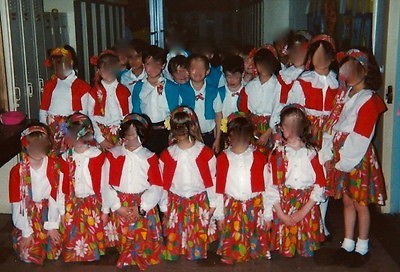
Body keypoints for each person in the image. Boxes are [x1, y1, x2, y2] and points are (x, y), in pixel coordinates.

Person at [319, 48, 386, 267]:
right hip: (341, 155)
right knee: (347, 200)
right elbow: (331, 125)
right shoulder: (344, 95)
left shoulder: (368, 99)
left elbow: (361, 135)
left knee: (360, 202)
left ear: (364, 71)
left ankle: (362, 246)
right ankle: (347, 244)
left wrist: (345, 160)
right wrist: (329, 152)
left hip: (356, 157)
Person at [104, 113, 164, 269]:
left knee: (141, 237)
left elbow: (157, 186)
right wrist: (117, 206)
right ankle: (125, 254)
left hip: (142, 204)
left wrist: (142, 208)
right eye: (127, 135)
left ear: (142, 136)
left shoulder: (149, 157)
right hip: (120, 203)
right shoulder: (113, 155)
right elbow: (105, 184)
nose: (129, 139)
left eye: (133, 136)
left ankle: (140, 254)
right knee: (125, 238)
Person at [266, 104, 326, 257]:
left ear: (290, 129)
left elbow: (320, 184)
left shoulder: (312, 153)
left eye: (282, 126)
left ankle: (304, 246)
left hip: (306, 203)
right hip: (285, 202)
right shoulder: (278, 154)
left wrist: (304, 211)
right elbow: (272, 185)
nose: (280, 129)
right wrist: (280, 214)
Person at [159, 107, 217, 261]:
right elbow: (163, 184)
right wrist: (164, 206)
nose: (179, 131)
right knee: (175, 242)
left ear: (192, 127)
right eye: (176, 126)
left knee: (196, 244)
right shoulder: (167, 155)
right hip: (176, 202)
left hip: (198, 202)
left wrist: (213, 204)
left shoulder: (204, 153)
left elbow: (212, 180)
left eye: (183, 126)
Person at [214, 113, 271, 264]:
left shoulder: (259, 157)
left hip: (254, 203)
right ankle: (231, 253)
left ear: (249, 136)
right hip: (232, 205)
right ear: (230, 137)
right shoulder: (223, 158)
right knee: (233, 231)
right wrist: (219, 214)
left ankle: (255, 250)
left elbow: (267, 187)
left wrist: (267, 214)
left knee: (254, 231)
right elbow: (218, 189)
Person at [9, 124, 64, 264]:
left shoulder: (54, 165)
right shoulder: (18, 171)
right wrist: (26, 232)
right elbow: (17, 203)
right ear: (26, 146)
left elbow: (56, 196)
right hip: (28, 216)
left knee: (55, 253)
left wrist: (52, 225)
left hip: (49, 213)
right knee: (29, 256)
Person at [60, 112, 108, 262]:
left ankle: (92, 253)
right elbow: (60, 188)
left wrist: (105, 210)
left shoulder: (98, 156)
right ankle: (75, 254)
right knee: (73, 232)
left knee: (92, 231)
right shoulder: (64, 158)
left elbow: (105, 185)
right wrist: (61, 211)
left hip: (93, 203)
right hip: (72, 204)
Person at [40, 46, 90, 154]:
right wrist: (44, 129)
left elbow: (83, 113)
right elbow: (43, 108)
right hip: (51, 127)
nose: (59, 68)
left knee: (69, 156)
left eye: (62, 64)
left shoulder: (82, 86)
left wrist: (74, 131)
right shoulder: (49, 85)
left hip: (71, 127)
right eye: (56, 65)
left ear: (71, 63)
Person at [132, 45, 181, 155]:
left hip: (167, 131)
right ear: (143, 65)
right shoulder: (139, 87)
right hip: (146, 131)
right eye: (149, 64)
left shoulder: (172, 87)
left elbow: (175, 110)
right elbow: (136, 111)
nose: (152, 68)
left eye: (156, 64)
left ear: (163, 65)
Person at [238, 46, 282, 154]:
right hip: (252, 127)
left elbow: (279, 110)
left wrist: (268, 133)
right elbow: (243, 110)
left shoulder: (279, 86)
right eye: (260, 64)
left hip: (272, 128)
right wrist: (251, 130)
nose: (264, 67)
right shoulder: (249, 87)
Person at [88, 50, 131, 149]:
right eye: (105, 69)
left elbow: (128, 116)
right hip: (99, 133)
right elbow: (90, 116)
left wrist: (122, 137)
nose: (108, 72)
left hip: (120, 132)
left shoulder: (124, 91)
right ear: (98, 70)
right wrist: (100, 138)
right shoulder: (94, 92)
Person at [179, 54, 223, 152]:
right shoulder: (181, 90)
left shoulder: (213, 91)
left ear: (207, 71)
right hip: (189, 136)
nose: (198, 72)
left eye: (201, 68)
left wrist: (218, 139)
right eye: (194, 68)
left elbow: (218, 115)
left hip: (209, 136)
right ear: (188, 71)